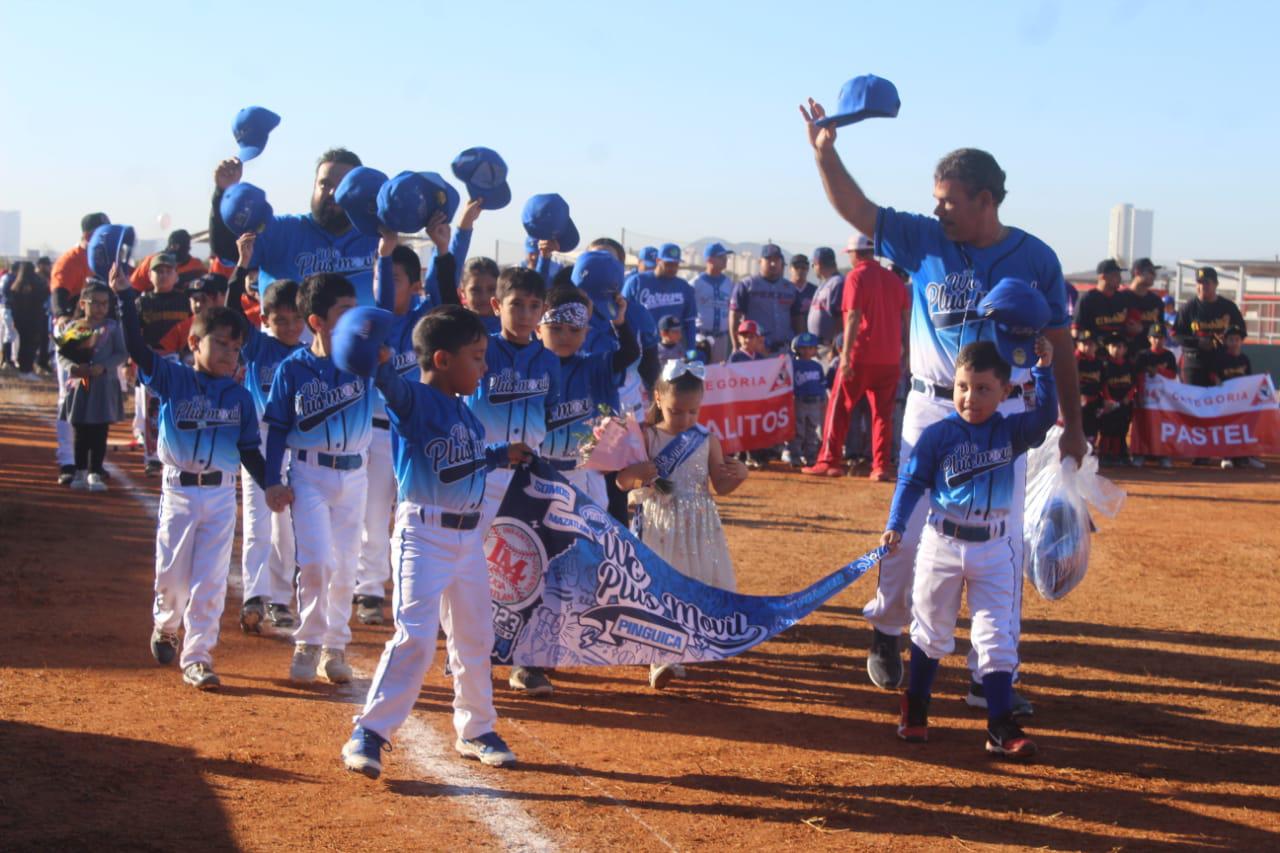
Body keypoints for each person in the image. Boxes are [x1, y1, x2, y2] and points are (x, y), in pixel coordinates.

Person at [800, 99, 1085, 709]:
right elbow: (856, 208)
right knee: (908, 529)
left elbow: (1060, 345)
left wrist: (1074, 426)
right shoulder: (923, 238)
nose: (938, 209)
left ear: (987, 199)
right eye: (936, 197)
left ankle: (990, 675)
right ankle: (886, 631)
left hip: (1005, 410)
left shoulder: (1036, 259)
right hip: (932, 407)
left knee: (1001, 540)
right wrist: (826, 154)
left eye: (950, 199)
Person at [341, 305, 529, 780]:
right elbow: (390, 384)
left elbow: (461, 462)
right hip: (423, 537)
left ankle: (476, 729)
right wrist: (379, 357)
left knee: (475, 637)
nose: (484, 366)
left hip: (468, 541)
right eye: (477, 356)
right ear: (443, 360)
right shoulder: (415, 400)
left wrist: (499, 454)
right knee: (417, 638)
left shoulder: (465, 413)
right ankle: (369, 732)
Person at [882, 339, 1056, 760]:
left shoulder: (1011, 430)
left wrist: (1043, 370)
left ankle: (999, 725)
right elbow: (911, 483)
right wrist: (895, 525)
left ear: (1003, 393)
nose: (969, 397)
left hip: (995, 548)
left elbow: (1047, 417)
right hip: (941, 544)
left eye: (982, 389)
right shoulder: (939, 434)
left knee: (997, 636)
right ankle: (917, 706)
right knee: (931, 628)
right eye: (963, 386)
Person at [110, 262, 268, 690]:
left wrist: (272, 484)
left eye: (236, 349)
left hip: (219, 496)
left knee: (210, 581)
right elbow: (139, 349)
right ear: (194, 343)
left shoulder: (239, 398)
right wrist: (125, 297)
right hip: (178, 493)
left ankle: (198, 655)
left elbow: (251, 450)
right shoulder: (173, 379)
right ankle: (166, 624)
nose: (228, 355)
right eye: (220, 345)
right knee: (171, 577)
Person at [263, 273, 374, 685]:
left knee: (345, 566)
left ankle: (335, 646)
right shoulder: (293, 368)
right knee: (315, 561)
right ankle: (308, 641)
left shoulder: (364, 362)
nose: (353, 321)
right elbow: (276, 426)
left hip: (354, 473)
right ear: (317, 322)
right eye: (342, 312)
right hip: (308, 473)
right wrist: (273, 479)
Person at [616, 360, 748, 688]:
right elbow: (621, 481)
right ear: (658, 398)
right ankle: (661, 656)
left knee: (694, 585)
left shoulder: (706, 439)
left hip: (698, 529)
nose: (686, 419)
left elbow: (721, 485)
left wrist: (741, 474)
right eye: (677, 411)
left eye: (693, 412)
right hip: (658, 527)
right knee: (661, 588)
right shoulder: (644, 436)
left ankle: (687, 643)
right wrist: (638, 475)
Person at [357, 217, 458, 626]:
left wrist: (445, 248)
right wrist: (384, 252)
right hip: (379, 431)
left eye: (398, 277)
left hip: (419, 434)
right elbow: (381, 298)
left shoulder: (425, 319)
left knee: (415, 514)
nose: (388, 283)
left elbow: (445, 294)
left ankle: (412, 591)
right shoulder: (376, 319)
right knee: (373, 512)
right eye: (385, 275)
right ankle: (368, 589)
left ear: (415, 283)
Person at [465, 267, 561, 697]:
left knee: (531, 569)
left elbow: (553, 416)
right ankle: (477, 654)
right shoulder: (480, 352)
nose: (524, 314)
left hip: (529, 481)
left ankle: (525, 661)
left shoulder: (547, 360)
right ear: (495, 306)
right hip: (486, 474)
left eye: (533, 306)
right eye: (515, 304)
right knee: (481, 570)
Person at [225, 234, 304, 634]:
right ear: (265, 319)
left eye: (296, 318)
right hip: (257, 440)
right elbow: (229, 316)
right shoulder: (257, 346)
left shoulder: (308, 352)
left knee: (285, 523)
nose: (289, 326)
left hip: (293, 444)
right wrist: (241, 265)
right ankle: (255, 595)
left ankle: (279, 599)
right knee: (258, 519)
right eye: (280, 319)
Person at [210, 149, 379, 304]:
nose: (332, 193)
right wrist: (222, 194)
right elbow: (226, 248)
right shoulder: (281, 232)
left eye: (342, 185)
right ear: (314, 186)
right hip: (288, 336)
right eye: (325, 184)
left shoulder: (375, 237)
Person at [803, 234, 909, 481]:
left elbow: (852, 316)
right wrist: (907, 354)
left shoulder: (856, 276)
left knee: (839, 408)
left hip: (861, 355)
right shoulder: (895, 280)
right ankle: (880, 466)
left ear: (855, 254)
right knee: (883, 415)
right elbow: (906, 319)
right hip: (890, 359)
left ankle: (829, 461)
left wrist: (846, 355)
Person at [537, 284, 637, 506]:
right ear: (538, 329)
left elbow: (630, 353)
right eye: (555, 328)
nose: (565, 336)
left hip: (585, 473)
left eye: (574, 329)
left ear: (586, 333)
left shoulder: (594, 366)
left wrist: (620, 322)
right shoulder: (529, 370)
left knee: (591, 535)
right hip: (539, 472)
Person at [50, 212, 110, 485]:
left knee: (98, 396)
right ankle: (68, 461)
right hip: (75, 332)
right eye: (102, 233)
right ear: (88, 236)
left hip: (101, 332)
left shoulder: (106, 260)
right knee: (71, 397)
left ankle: (92, 462)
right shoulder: (72, 260)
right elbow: (59, 298)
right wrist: (65, 318)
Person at [57, 281, 127, 490]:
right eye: (95, 303)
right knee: (81, 430)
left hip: (103, 387)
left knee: (99, 430)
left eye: (105, 304)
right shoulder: (75, 327)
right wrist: (73, 368)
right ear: (82, 303)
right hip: (81, 386)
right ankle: (79, 470)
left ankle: (95, 471)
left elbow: (122, 353)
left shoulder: (113, 328)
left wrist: (103, 367)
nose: (100, 308)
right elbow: (62, 356)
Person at [1174, 266, 1245, 465]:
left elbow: (1241, 332)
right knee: (1197, 407)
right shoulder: (1189, 308)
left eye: (1207, 282)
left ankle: (1227, 451)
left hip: (1222, 363)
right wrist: (1198, 342)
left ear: (1215, 284)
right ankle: (1200, 451)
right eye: (1199, 282)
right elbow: (1176, 334)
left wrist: (1229, 338)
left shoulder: (1228, 307)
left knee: (1224, 406)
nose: (1202, 286)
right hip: (1194, 362)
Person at [136, 253, 192, 475]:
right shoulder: (142, 302)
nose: (164, 275)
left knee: (181, 408)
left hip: (180, 361)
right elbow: (134, 334)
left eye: (169, 270)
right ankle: (152, 457)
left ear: (176, 275)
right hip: (153, 362)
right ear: (149, 275)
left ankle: (179, 452)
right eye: (158, 271)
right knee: (151, 411)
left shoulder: (184, 300)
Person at [622, 243, 697, 347]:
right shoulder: (636, 282)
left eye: (676, 264)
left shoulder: (683, 286)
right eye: (668, 264)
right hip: (643, 347)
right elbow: (623, 316)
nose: (673, 268)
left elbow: (690, 321)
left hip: (675, 349)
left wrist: (691, 348)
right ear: (658, 261)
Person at [1212, 326, 1266, 470]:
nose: (1234, 342)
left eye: (1237, 339)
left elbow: (1249, 378)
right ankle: (1227, 456)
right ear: (1226, 342)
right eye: (1231, 340)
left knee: (1244, 427)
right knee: (1228, 428)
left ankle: (1245, 457)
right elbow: (1213, 375)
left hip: (1242, 401)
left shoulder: (1244, 359)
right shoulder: (1220, 358)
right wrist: (1217, 382)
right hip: (1226, 400)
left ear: (1241, 342)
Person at [729, 244, 795, 354]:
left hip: (784, 349)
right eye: (769, 259)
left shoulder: (790, 288)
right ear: (760, 261)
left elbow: (798, 319)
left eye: (776, 260)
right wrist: (736, 345)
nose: (773, 263)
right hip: (756, 350)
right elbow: (734, 316)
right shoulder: (747, 285)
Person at [1131, 323, 1176, 469]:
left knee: (1162, 427)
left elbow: (1173, 375)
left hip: (1162, 400)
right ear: (1149, 339)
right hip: (1145, 397)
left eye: (1161, 337)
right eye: (1155, 337)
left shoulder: (1168, 355)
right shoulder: (1143, 355)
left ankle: (1162, 454)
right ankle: (1139, 454)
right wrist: (1138, 394)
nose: (1158, 341)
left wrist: (1157, 371)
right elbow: (1136, 375)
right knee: (1142, 426)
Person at [785, 332, 826, 468]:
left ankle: (811, 457)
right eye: (803, 348)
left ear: (815, 350)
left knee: (812, 432)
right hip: (799, 401)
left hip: (814, 402)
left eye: (810, 348)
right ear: (796, 349)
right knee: (798, 431)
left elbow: (821, 385)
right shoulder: (793, 364)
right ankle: (795, 456)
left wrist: (822, 401)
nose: (807, 351)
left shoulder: (817, 366)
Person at [1097, 334, 1137, 466]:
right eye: (1113, 346)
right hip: (1109, 403)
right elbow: (1103, 384)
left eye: (1120, 347)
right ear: (1107, 348)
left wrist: (1128, 398)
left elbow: (1134, 384)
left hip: (1124, 403)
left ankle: (1117, 455)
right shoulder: (1104, 365)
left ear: (1125, 349)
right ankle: (1104, 454)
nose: (1116, 350)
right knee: (1107, 429)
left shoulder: (1129, 365)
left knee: (1121, 429)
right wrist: (1108, 399)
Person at [691, 242, 734, 362]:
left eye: (726, 257)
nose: (725, 260)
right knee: (699, 371)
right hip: (701, 336)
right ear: (710, 259)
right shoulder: (696, 282)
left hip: (722, 337)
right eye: (721, 257)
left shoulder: (728, 283)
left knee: (718, 373)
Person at [7, 262, 50, 378]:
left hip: (21, 321)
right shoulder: (34, 284)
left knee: (23, 345)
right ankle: (27, 369)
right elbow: (42, 297)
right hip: (33, 320)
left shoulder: (16, 285)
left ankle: (24, 369)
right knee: (30, 345)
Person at [130, 230, 207, 291]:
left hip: (184, 308)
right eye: (174, 246)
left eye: (179, 247)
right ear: (169, 245)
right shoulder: (151, 261)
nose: (176, 249)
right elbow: (135, 287)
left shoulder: (197, 266)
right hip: (155, 306)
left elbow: (205, 288)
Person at [1074, 259, 1133, 340]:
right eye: (1115, 275)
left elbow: (1132, 324)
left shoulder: (1122, 298)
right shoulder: (1088, 299)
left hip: (1119, 348)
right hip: (1095, 348)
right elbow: (1076, 331)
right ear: (1103, 277)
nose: (1119, 278)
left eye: (1119, 275)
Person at [806, 246, 844, 349]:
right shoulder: (825, 282)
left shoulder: (837, 282)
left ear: (818, 263)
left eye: (812, 264)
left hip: (829, 346)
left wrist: (835, 348)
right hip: (818, 345)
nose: (812, 267)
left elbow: (840, 318)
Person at [1074, 329, 1103, 448]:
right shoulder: (1074, 360)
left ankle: (1089, 450)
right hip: (1076, 401)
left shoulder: (1098, 362)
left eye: (1091, 344)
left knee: (1092, 428)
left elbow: (1102, 383)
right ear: (1078, 345)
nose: (1087, 347)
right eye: (1084, 343)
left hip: (1093, 400)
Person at [459, 256, 501, 335]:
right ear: (463, 292)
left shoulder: (514, 327)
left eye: (491, 289)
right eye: (475, 290)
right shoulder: (455, 328)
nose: (484, 297)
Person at [1126, 258, 1164, 336]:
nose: (1154, 275)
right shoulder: (1121, 298)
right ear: (1137, 272)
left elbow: (1160, 328)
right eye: (1151, 272)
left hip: (1148, 346)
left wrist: (1143, 329)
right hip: (1125, 346)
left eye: (1154, 272)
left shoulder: (1156, 300)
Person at [788, 253, 816, 335]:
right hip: (789, 335)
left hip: (809, 336)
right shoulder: (784, 289)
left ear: (808, 269)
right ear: (790, 269)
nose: (800, 270)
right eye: (796, 267)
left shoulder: (815, 290)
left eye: (803, 268)